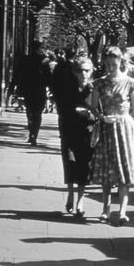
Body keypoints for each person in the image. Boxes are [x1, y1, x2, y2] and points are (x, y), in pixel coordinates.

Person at [89, 47, 134, 225]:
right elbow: (93, 107)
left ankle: (122, 211)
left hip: (125, 128)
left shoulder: (130, 82)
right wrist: (101, 117)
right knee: (107, 171)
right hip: (107, 128)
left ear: (121, 63)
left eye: (113, 64)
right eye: (107, 64)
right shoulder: (99, 83)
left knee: (125, 170)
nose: (109, 67)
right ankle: (105, 210)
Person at [58, 56, 96, 217]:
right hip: (69, 130)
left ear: (91, 71)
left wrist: (89, 115)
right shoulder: (67, 87)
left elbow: (99, 112)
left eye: (86, 70)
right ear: (74, 72)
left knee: (84, 166)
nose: (83, 74)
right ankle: (70, 194)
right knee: (70, 162)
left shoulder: (95, 89)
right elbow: (61, 109)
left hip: (87, 132)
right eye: (80, 70)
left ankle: (80, 200)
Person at [9, 40, 51, 146]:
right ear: (39, 48)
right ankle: (34, 134)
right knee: (38, 113)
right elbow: (49, 77)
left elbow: (17, 74)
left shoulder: (25, 59)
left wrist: (11, 88)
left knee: (30, 112)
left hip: (28, 90)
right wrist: (52, 89)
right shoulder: (45, 61)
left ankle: (31, 132)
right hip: (40, 90)